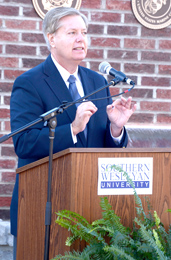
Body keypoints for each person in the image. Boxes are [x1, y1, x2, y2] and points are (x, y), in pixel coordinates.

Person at [10, 6, 136, 259]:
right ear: (51, 38)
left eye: (84, 32)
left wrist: (116, 127)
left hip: (90, 209)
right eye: (72, 32)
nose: (81, 39)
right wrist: (73, 129)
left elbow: (100, 148)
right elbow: (24, 143)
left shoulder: (97, 82)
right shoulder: (30, 82)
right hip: (43, 208)